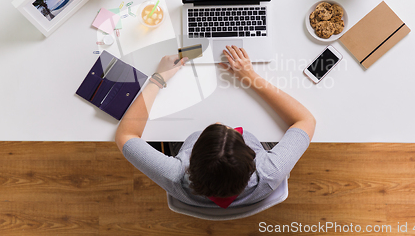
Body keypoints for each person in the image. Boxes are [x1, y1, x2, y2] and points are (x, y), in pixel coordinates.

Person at [115, 45, 316, 208]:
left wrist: (158, 78)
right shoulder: (269, 172)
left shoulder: (174, 175)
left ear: (190, 161)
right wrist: (250, 77)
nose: (220, 123)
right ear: (253, 160)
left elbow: (125, 135)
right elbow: (306, 120)